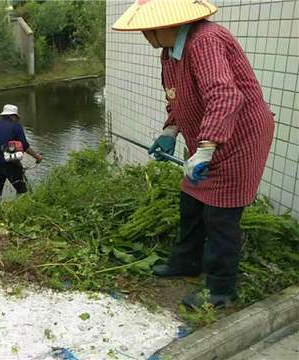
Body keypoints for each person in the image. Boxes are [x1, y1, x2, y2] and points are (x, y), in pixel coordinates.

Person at [113, 0, 275, 308]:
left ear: (169, 24)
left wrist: (206, 148)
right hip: (208, 138)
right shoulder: (169, 54)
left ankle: (220, 290)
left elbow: (225, 95)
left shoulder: (206, 41)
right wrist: (169, 132)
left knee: (221, 216)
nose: (146, 36)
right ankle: (186, 262)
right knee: (190, 202)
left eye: (149, 29)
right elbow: (178, 98)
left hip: (240, 137)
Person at [0, 104, 43, 200]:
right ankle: (21, 210)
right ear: (13, 116)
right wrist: (37, 157)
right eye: (16, 117)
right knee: (22, 190)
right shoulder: (16, 127)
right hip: (10, 163)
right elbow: (25, 146)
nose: (17, 119)